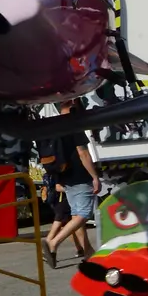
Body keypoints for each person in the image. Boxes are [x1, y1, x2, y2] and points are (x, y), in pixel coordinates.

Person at [41, 100, 101, 268]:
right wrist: (95, 177)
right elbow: (83, 154)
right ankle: (53, 242)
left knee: (76, 215)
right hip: (80, 175)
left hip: (65, 176)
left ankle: (88, 251)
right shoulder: (74, 125)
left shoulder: (56, 125)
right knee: (83, 214)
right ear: (74, 104)